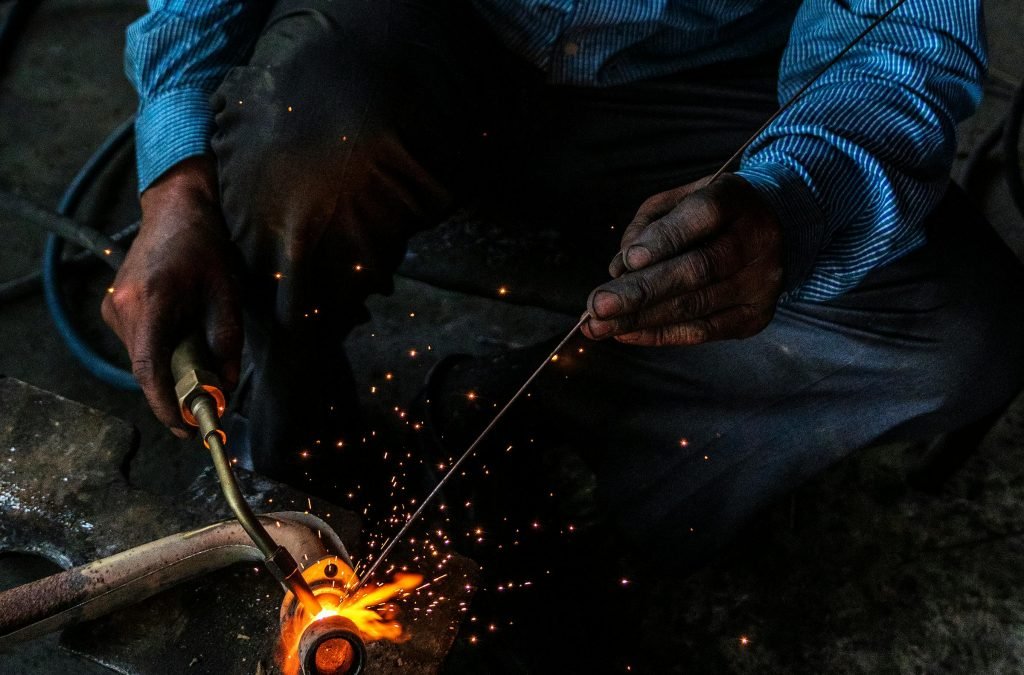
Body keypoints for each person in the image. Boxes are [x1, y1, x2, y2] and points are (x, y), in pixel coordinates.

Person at [104, 0, 1024, 560]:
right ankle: (292, 430)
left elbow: (898, 34)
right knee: (304, 124)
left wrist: (789, 203)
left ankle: (497, 427)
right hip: (411, 48)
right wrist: (177, 179)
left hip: (700, 103)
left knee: (958, 341)